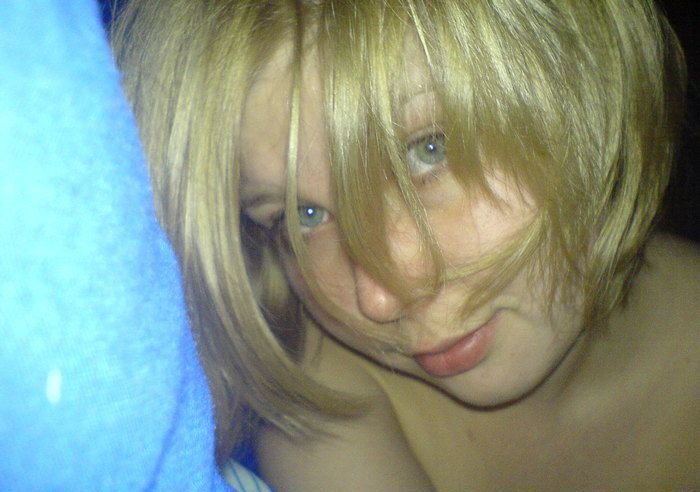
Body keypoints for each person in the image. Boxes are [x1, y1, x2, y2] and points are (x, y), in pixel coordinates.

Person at [112, 0, 699, 489]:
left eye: (429, 150)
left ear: (587, 81)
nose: (379, 298)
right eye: (302, 216)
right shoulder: (323, 411)